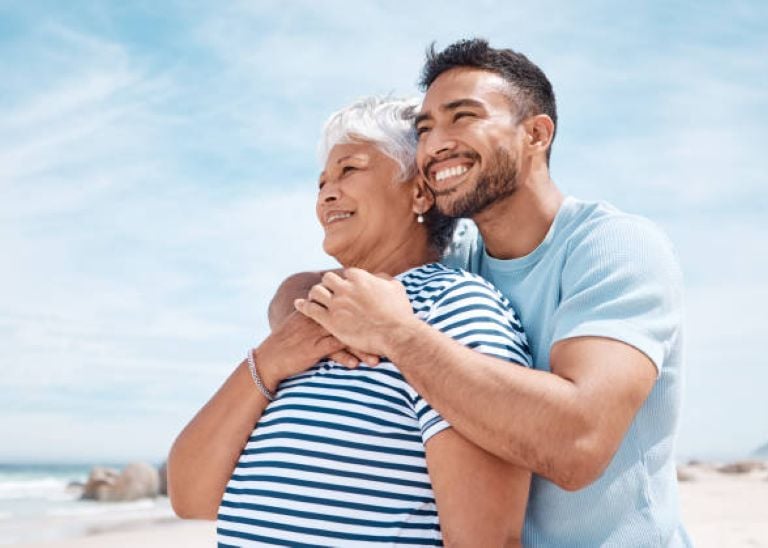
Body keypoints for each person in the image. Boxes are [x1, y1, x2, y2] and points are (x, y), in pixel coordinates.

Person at [289, 40, 691, 546]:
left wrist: (394, 333)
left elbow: (578, 442)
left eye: (463, 117)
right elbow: (309, 288)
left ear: (536, 134)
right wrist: (307, 311)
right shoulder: (457, 258)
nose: (435, 145)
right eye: (426, 128)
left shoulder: (613, 246)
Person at [168, 96, 534, 546]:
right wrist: (268, 361)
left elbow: (488, 540)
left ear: (419, 191)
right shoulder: (310, 314)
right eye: (321, 182)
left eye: (349, 170)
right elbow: (190, 496)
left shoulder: (453, 306)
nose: (327, 193)